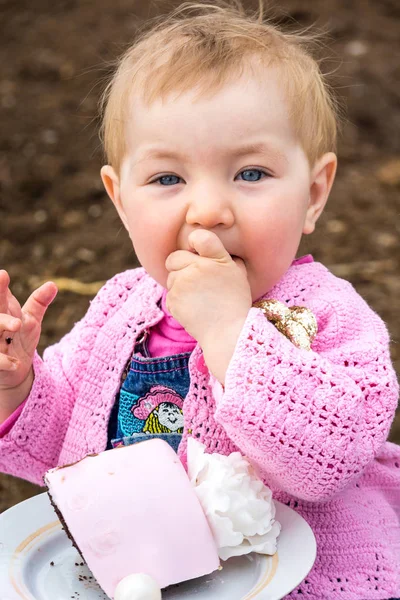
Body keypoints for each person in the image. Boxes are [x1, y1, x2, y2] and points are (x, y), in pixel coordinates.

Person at [0, 2, 399, 598]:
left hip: (301, 585)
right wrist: (17, 385)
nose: (208, 209)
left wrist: (231, 331)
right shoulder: (120, 308)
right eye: (167, 179)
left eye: (251, 173)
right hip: (141, 579)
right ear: (120, 200)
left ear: (313, 195)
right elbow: (61, 442)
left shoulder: (327, 317)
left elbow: (329, 460)